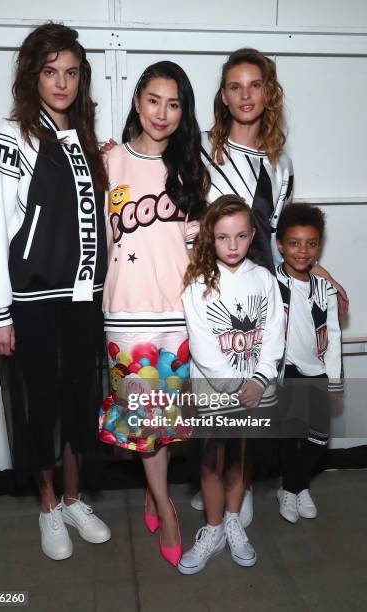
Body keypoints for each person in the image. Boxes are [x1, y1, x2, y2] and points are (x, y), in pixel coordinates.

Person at [0, 23, 110, 560]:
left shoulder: (84, 139)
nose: (62, 82)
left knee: (80, 402)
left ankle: (76, 498)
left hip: (83, 300)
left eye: (71, 72)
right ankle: (48, 506)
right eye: (51, 71)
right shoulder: (14, 138)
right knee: (40, 409)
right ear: (33, 77)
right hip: (31, 303)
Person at [191, 46, 348, 517]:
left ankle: (248, 485)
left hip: (263, 293)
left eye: (255, 85)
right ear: (222, 95)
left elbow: (282, 235)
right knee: (213, 392)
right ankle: (212, 482)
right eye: (235, 86)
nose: (246, 95)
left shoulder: (281, 163)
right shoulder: (200, 150)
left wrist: (317, 271)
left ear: (268, 92)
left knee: (260, 390)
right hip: (213, 291)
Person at [98, 61, 208, 566]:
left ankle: (153, 489)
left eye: (174, 103)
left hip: (178, 317)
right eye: (154, 100)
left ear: (183, 111)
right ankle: (165, 506)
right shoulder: (107, 161)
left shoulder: (191, 169)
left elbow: (205, 250)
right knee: (142, 423)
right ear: (138, 98)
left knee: (169, 422)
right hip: (124, 316)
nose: (162, 113)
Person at [178, 195, 284, 574]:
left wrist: (258, 379)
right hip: (213, 390)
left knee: (240, 459)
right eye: (223, 238)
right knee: (209, 463)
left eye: (240, 236)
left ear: (253, 235)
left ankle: (234, 521)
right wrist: (236, 385)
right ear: (210, 237)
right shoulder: (198, 283)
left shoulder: (264, 279)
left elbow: (274, 333)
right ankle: (213, 528)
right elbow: (202, 343)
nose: (233, 245)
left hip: (253, 391)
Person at [275, 203, 343, 523]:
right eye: (294, 243)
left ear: (318, 246)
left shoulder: (324, 288)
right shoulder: (268, 284)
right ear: (280, 245)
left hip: (315, 368)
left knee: (318, 435)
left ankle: (294, 485)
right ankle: (293, 492)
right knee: (291, 433)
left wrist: (334, 379)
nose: (303, 251)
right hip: (284, 370)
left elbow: (333, 334)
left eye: (311, 243)